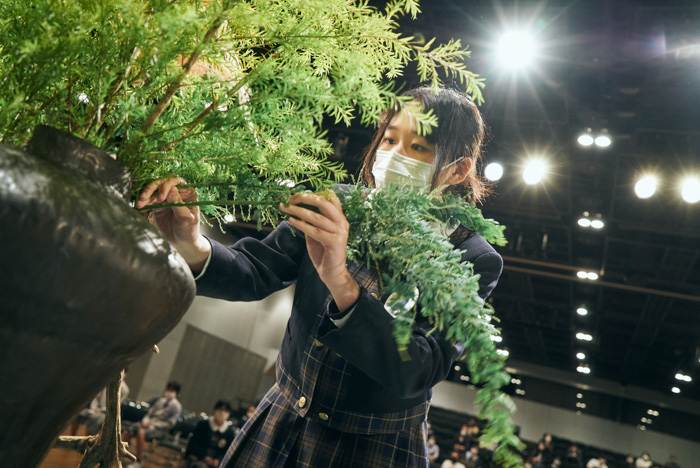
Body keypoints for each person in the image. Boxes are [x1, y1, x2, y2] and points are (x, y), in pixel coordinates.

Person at [137, 86, 503, 467]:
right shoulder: (338, 205)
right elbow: (257, 269)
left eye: (418, 148)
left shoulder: (472, 257)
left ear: (458, 169)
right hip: (281, 421)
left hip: (372, 449)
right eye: (390, 139)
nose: (393, 156)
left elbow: (419, 368)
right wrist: (191, 245)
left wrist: (342, 284)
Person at [124, 381, 183, 467]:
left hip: (159, 430)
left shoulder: (177, 406)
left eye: (171, 390)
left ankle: (138, 461)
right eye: (168, 389)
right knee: (130, 429)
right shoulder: (160, 401)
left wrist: (153, 425)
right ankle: (119, 453)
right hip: (147, 425)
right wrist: (145, 421)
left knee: (141, 432)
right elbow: (149, 414)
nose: (168, 392)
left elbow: (171, 424)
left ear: (176, 393)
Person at [71, 368, 130, 435]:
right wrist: (94, 408)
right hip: (95, 409)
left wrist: (100, 410)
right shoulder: (106, 382)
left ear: (125, 374)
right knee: (79, 414)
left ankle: (87, 440)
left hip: (106, 413)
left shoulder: (125, 389)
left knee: (96, 420)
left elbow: (116, 405)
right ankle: (72, 435)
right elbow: (96, 397)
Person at [185, 400, 236, 468]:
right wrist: (204, 456)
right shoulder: (203, 425)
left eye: (225, 411)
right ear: (214, 410)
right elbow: (193, 444)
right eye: (220, 409)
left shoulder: (229, 432)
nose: (222, 413)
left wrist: (218, 460)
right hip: (198, 459)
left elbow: (227, 452)